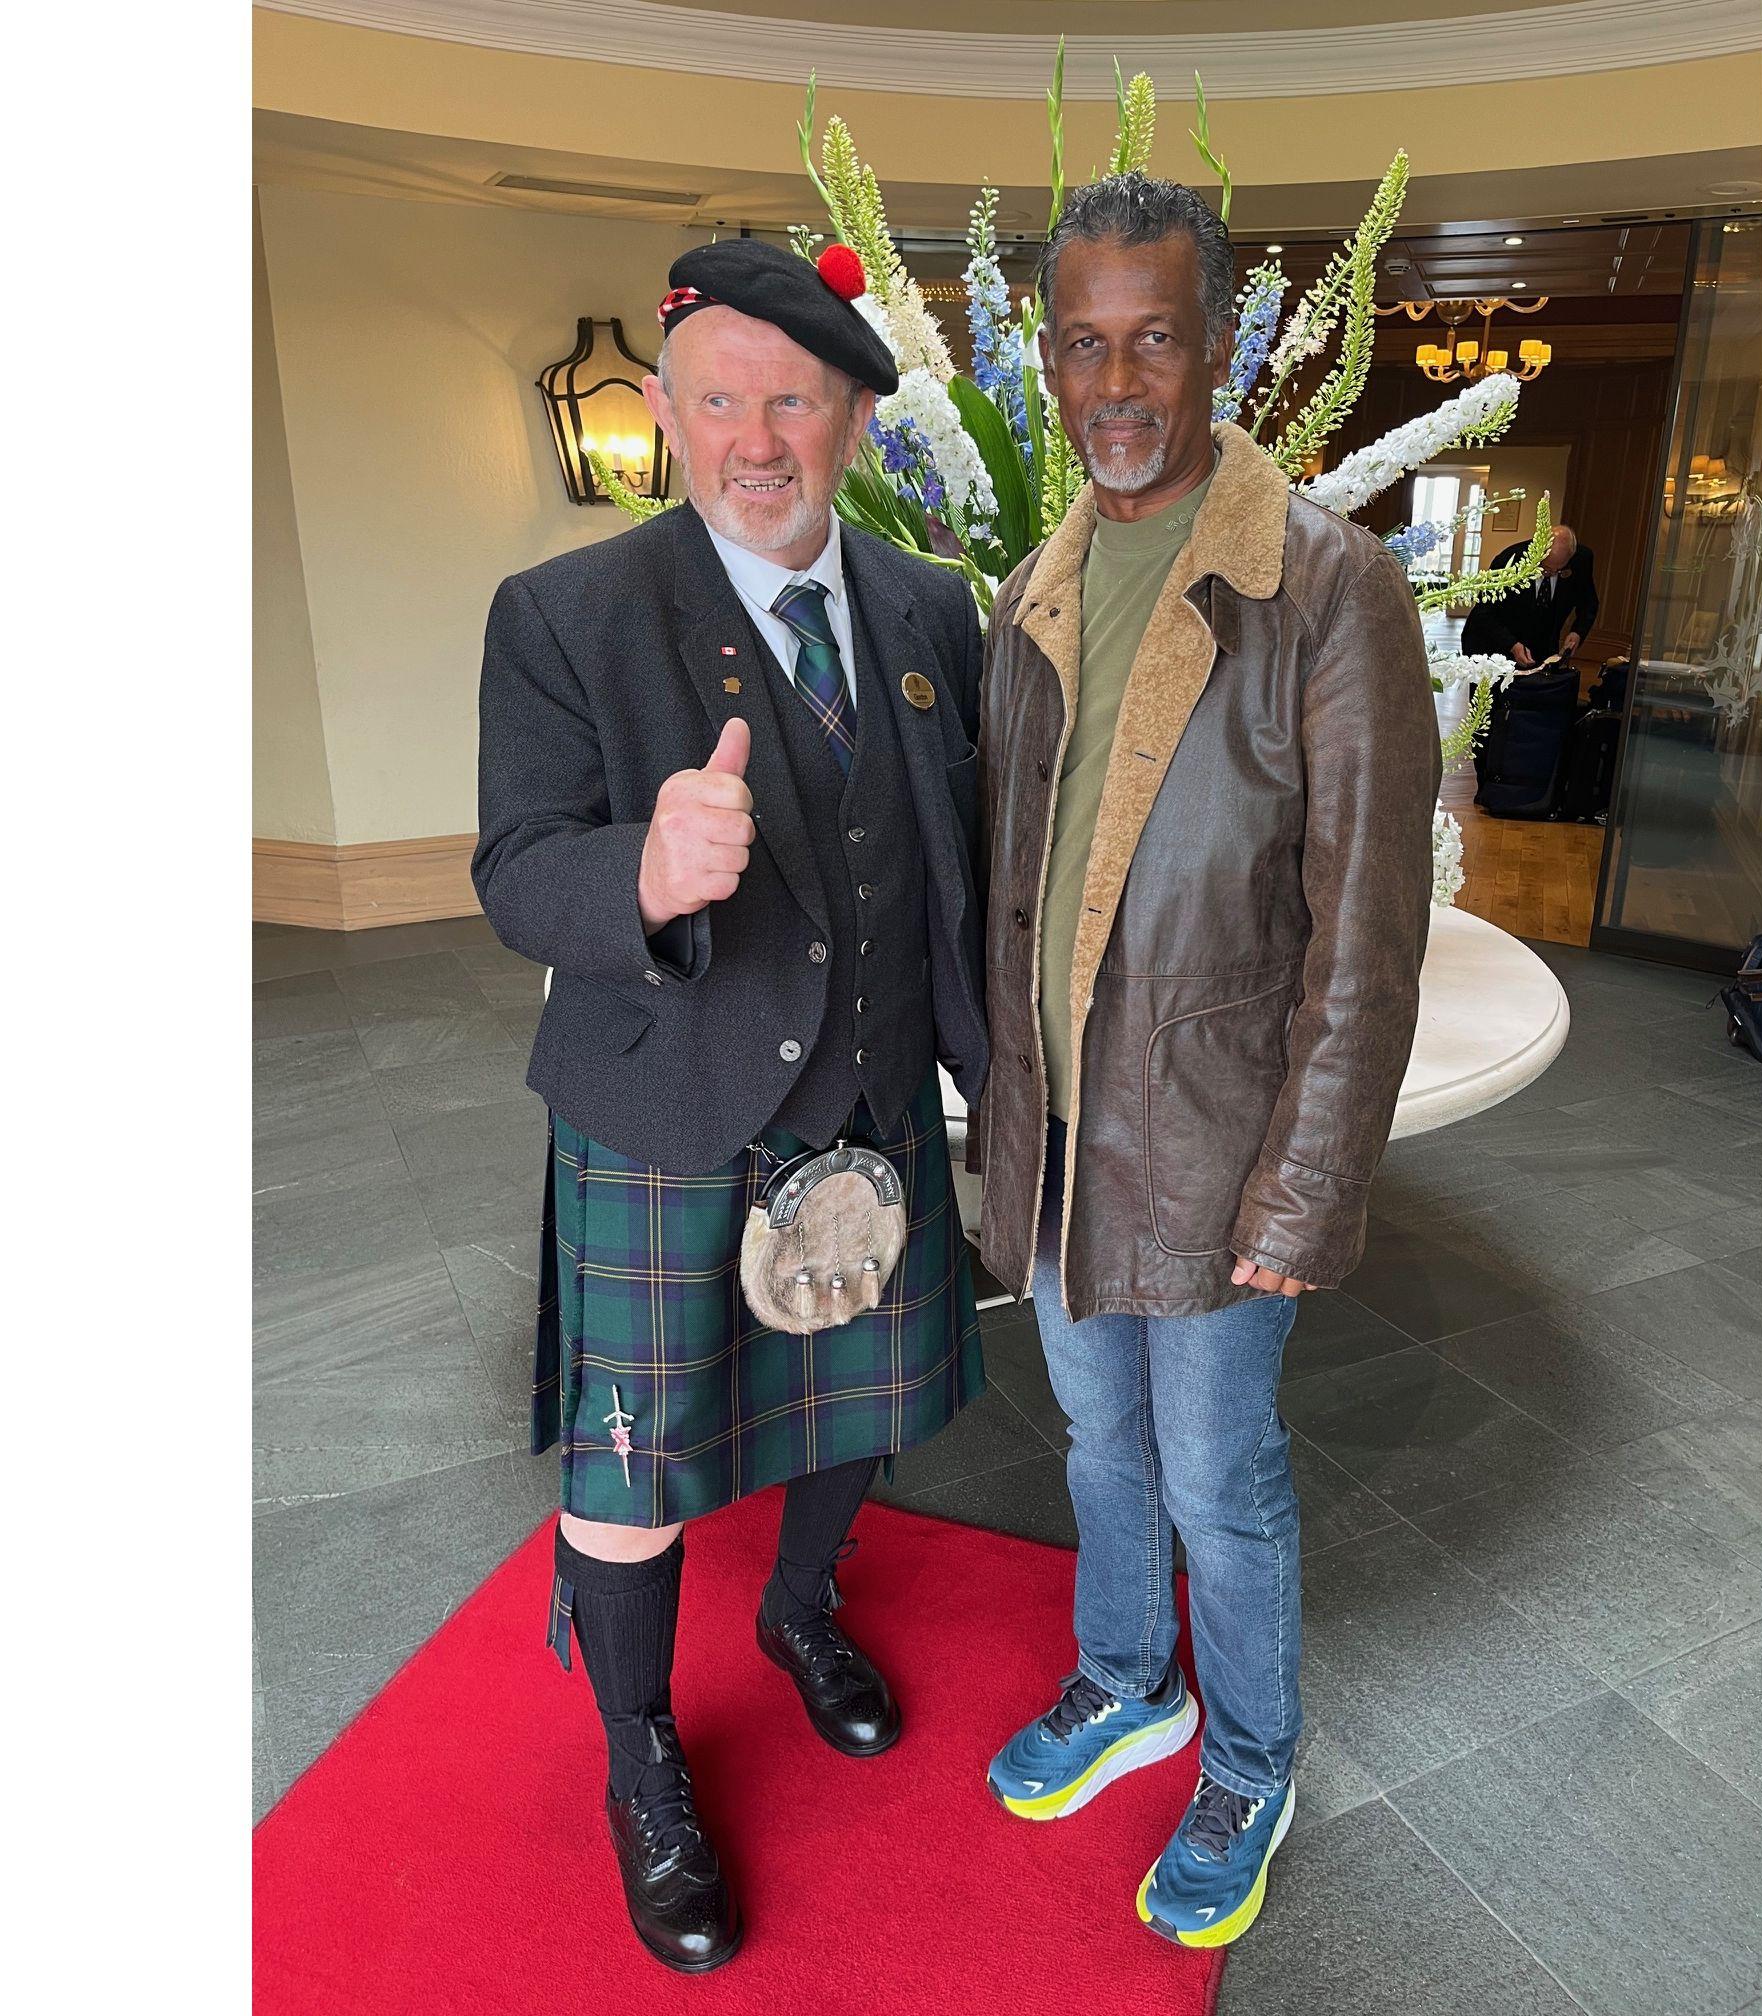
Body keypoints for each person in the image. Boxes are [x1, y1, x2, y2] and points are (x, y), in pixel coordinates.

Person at [472, 238, 989, 1974]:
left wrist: (1003, 1086)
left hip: (877, 1100)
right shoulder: (567, 615)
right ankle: (639, 1757)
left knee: (860, 1404)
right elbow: (515, 867)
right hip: (666, 1112)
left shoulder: (926, 608)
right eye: (717, 403)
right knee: (632, 1460)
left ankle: (797, 1607)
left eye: (793, 402)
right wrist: (644, 868)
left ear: (854, 418)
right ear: (666, 412)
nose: (754, 440)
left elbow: (961, 861)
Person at [969, 174, 1439, 1949]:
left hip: (1221, 1146)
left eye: (1152, 338)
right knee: (1097, 1444)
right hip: (1063, 1141)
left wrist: (1304, 1189)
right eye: (1083, 344)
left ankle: (1248, 1756)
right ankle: (1127, 1681)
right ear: (1050, 359)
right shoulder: (1036, 587)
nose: (1115, 381)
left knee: (1216, 1482)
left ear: (1219, 344)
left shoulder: (1323, 586)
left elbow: (1365, 930)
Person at [1462, 522, 1598, 665]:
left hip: (1543, 646)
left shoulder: (1581, 560)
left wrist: (1577, 632)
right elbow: (1483, 612)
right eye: (1545, 568)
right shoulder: (1509, 561)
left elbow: (1589, 603)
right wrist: (1512, 644)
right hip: (1494, 644)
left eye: (1558, 570)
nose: (1550, 573)